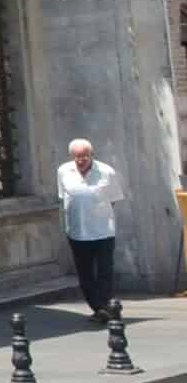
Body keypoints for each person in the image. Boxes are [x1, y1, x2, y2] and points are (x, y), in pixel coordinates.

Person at [56, 137, 123, 321]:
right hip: (77, 231)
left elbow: (114, 198)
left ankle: (105, 306)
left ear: (92, 155)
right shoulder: (63, 171)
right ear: (72, 156)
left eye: (85, 156)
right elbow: (64, 197)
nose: (81, 160)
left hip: (103, 231)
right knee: (85, 273)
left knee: (105, 271)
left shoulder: (106, 172)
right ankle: (98, 307)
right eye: (77, 156)